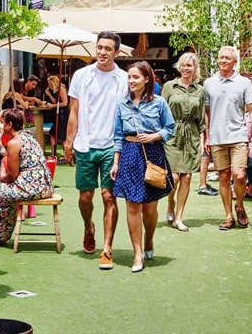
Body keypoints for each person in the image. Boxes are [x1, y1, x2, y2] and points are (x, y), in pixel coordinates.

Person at [64, 31, 129, 270]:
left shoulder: (123, 79)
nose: (102, 52)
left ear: (116, 53)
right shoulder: (81, 76)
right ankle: (88, 226)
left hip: (112, 146)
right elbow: (74, 111)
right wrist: (69, 141)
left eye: (108, 49)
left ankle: (107, 248)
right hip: (85, 144)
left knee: (108, 196)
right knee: (85, 198)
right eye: (99, 47)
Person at [110, 61, 175, 273]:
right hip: (129, 155)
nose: (131, 81)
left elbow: (170, 128)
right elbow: (118, 135)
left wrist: (155, 136)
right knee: (132, 206)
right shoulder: (122, 104)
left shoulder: (159, 103)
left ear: (147, 79)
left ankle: (149, 239)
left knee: (150, 208)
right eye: (129, 77)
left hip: (153, 155)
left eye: (136, 77)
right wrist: (116, 162)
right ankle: (137, 253)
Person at [203, 46, 252, 230]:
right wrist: (206, 136)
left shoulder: (244, 82)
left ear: (235, 62)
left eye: (227, 58)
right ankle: (228, 216)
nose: (223, 60)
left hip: (238, 136)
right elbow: (207, 112)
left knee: (240, 175)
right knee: (224, 177)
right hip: (217, 137)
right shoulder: (209, 83)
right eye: (221, 58)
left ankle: (240, 205)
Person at [0, 109, 54, 245]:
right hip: (45, 186)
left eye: (2, 122)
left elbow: (11, 176)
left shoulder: (14, 143)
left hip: (33, 188)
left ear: (9, 124)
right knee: (5, 193)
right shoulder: (29, 137)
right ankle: (0, 234)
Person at [161, 53, 206, 232]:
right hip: (172, 134)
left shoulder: (200, 90)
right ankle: (170, 202)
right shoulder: (169, 87)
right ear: (179, 67)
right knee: (174, 177)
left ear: (195, 68)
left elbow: (201, 118)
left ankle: (179, 217)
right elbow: (160, 110)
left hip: (192, 136)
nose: (186, 68)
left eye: (190, 65)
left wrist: (203, 139)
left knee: (187, 177)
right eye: (183, 65)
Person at [44, 75, 69, 158]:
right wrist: (49, 95)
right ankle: (53, 153)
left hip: (63, 114)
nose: (49, 85)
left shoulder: (61, 89)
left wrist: (53, 106)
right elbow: (56, 101)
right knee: (53, 133)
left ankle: (64, 154)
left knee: (62, 135)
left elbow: (65, 103)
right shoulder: (56, 91)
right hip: (59, 113)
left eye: (49, 83)